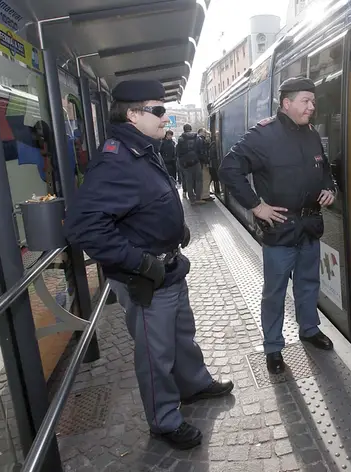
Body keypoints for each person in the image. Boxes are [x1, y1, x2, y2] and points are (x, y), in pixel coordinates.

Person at [64, 79, 233, 450]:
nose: (165, 116)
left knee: (181, 336)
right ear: (132, 114)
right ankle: (165, 420)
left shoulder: (141, 148)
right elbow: (83, 226)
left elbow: (146, 203)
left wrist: (177, 229)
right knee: (156, 354)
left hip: (169, 266)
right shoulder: (116, 159)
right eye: (157, 110)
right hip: (147, 277)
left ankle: (193, 384)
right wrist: (139, 262)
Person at [220, 77, 335, 375]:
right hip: (281, 229)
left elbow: (323, 168)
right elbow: (228, 168)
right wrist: (256, 206)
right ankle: (273, 347)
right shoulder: (263, 136)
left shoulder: (311, 134)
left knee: (309, 284)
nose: (312, 106)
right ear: (287, 103)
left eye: (313, 101)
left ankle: (309, 330)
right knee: (275, 292)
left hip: (309, 225)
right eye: (305, 101)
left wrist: (329, 187)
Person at [177, 123, 205, 203]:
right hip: (196, 162)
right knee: (199, 180)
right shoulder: (197, 138)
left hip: (186, 164)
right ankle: (198, 198)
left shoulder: (180, 139)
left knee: (189, 181)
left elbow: (178, 153)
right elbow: (201, 150)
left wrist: (182, 163)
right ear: (191, 128)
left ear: (184, 129)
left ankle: (192, 199)